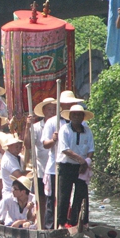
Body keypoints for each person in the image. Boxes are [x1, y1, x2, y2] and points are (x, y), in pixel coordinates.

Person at [41, 90, 83, 229]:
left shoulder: (81, 124)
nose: (70, 106)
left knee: (73, 198)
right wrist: (53, 140)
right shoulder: (53, 122)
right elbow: (45, 144)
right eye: (67, 104)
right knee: (53, 199)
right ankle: (50, 228)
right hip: (55, 167)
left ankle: (72, 223)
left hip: (75, 167)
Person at [57, 105, 95, 228]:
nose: (77, 117)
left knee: (81, 195)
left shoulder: (87, 130)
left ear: (83, 117)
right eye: (74, 115)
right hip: (66, 166)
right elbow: (64, 149)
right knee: (64, 195)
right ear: (70, 116)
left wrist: (86, 162)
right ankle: (61, 223)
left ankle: (78, 222)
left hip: (82, 168)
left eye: (79, 115)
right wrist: (80, 160)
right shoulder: (64, 129)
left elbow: (91, 149)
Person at [23, 97, 56, 228]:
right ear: (43, 111)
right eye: (49, 109)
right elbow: (27, 145)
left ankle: (54, 225)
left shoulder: (59, 126)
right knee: (41, 200)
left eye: (54, 110)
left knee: (55, 199)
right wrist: (27, 126)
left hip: (55, 170)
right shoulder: (36, 127)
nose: (52, 112)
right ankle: (42, 226)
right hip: (41, 170)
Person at [0, 134, 26, 199]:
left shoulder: (17, 157)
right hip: (10, 195)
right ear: (9, 146)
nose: (19, 149)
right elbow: (20, 177)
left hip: (17, 194)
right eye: (16, 147)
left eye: (20, 147)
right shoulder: (8, 160)